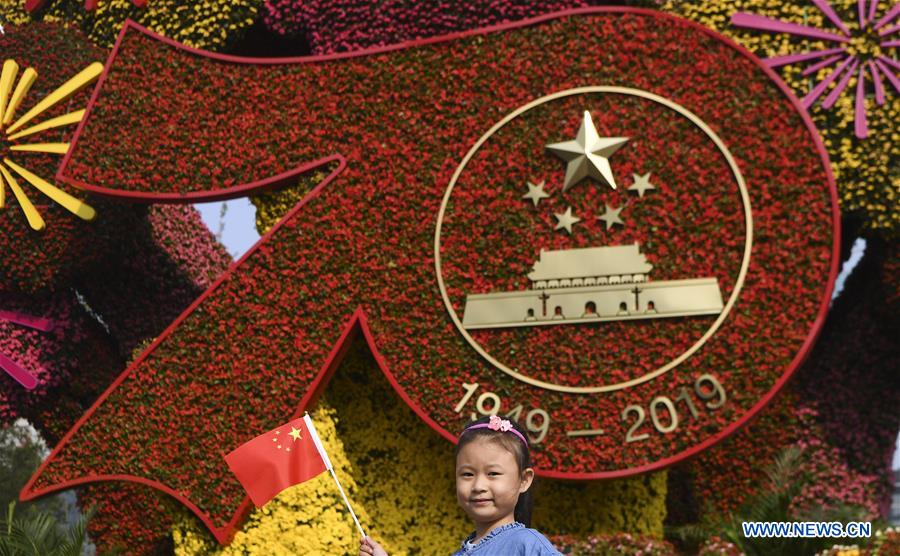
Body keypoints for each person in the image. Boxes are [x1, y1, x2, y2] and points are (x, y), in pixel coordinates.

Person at [359, 414, 562, 555]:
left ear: (524, 480)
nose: (478, 485)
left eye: (493, 473)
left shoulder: (526, 544)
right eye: (467, 474)